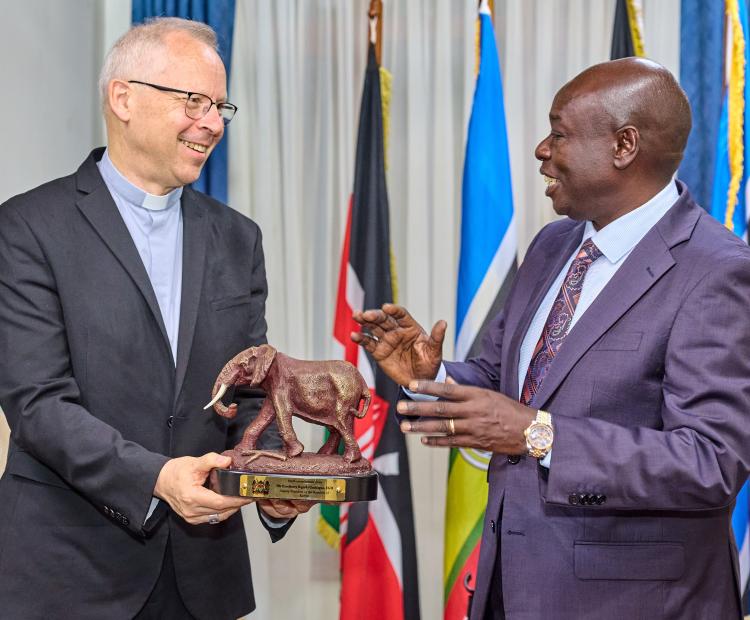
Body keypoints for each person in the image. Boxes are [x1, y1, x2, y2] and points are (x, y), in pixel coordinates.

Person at [353, 57, 750, 619]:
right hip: (509, 589)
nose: (542, 149)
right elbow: (505, 385)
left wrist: (540, 435)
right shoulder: (552, 245)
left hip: (631, 604)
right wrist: (432, 377)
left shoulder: (716, 270)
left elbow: (710, 461)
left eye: (559, 132)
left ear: (624, 145)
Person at [0, 17, 310, 620]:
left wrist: (274, 487)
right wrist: (157, 476)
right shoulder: (28, 228)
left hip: (203, 580)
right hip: (67, 574)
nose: (213, 123)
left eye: (221, 105)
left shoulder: (236, 239)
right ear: (123, 98)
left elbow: (251, 389)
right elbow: (37, 403)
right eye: (194, 100)